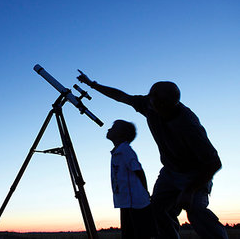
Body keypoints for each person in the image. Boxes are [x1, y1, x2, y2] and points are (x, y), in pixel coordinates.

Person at [77, 71, 228, 239]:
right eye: (151, 99)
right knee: (157, 210)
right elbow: (121, 96)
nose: (152, 105)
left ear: (169, 104)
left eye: (158, 103)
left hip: (195, 174)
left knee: (196, 211)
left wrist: (189, 190)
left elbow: (214, 163)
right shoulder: (149, 104)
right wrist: (92, 85)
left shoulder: (188, 125)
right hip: (170, 171)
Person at [106, 119, 157, 239]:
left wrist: (145, 192)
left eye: (113, 128)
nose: (109, 129)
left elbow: (139, 171)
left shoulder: (125, 150)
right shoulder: (118, 152)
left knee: (140, 234)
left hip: (136, 202)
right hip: (125, 202)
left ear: (121, 134)